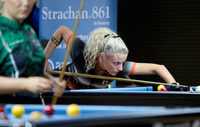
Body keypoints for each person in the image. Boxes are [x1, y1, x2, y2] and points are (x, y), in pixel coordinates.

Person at [44, 26, 193, 92]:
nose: (121, 68)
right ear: (101, 57)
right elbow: (62, 31)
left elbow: (158, 67)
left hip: (84, 103)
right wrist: (44, 58)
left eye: (122, 62)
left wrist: (173, 84)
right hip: (53, 88)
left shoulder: (119, 68)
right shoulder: (81, 51)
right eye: (116, 63)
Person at [0, 0, 66, 96]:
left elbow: (28, 69)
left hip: (34, 111)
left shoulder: (29, 30)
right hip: (6, 112)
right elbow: (26, 81)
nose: (26, 2)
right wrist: (25, 84)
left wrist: (51, 80)